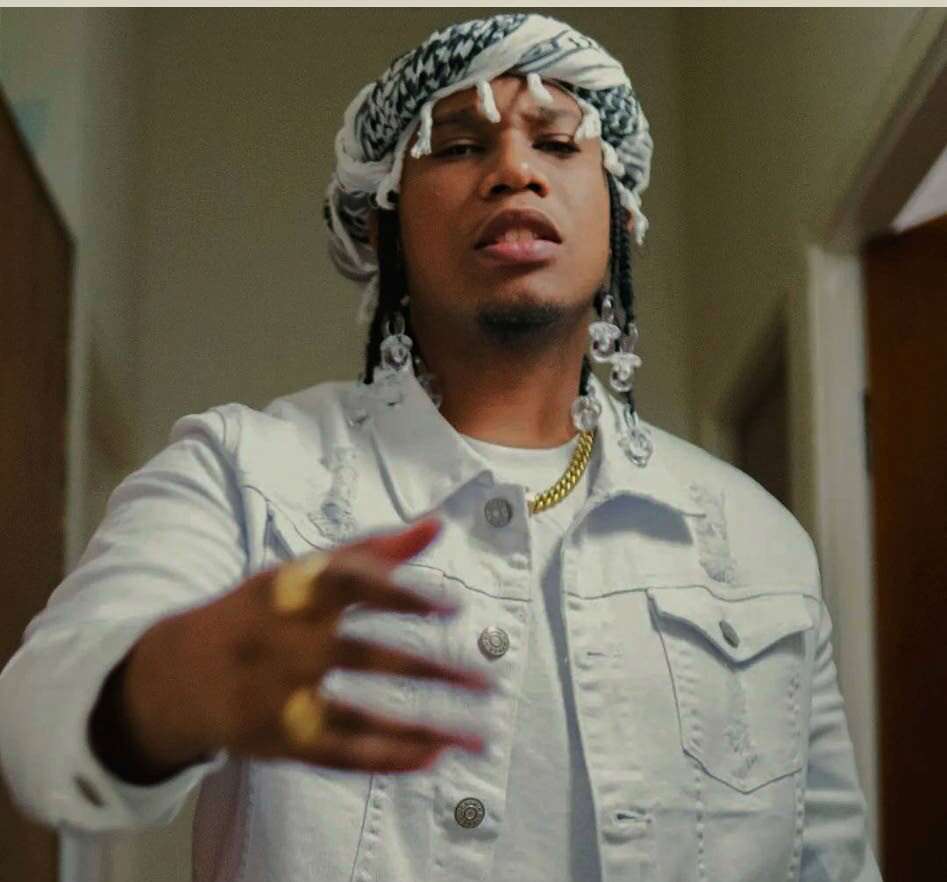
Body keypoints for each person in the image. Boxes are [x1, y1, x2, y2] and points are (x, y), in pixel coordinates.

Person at [0, 12, 881, 882]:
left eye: (557, 143)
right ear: (381, 226)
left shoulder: (755, 539)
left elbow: (832, 864)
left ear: (619, 216)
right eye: (459, 146)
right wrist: (165, 690)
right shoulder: (241, 475)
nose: (514, 171)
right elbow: (36, 730)